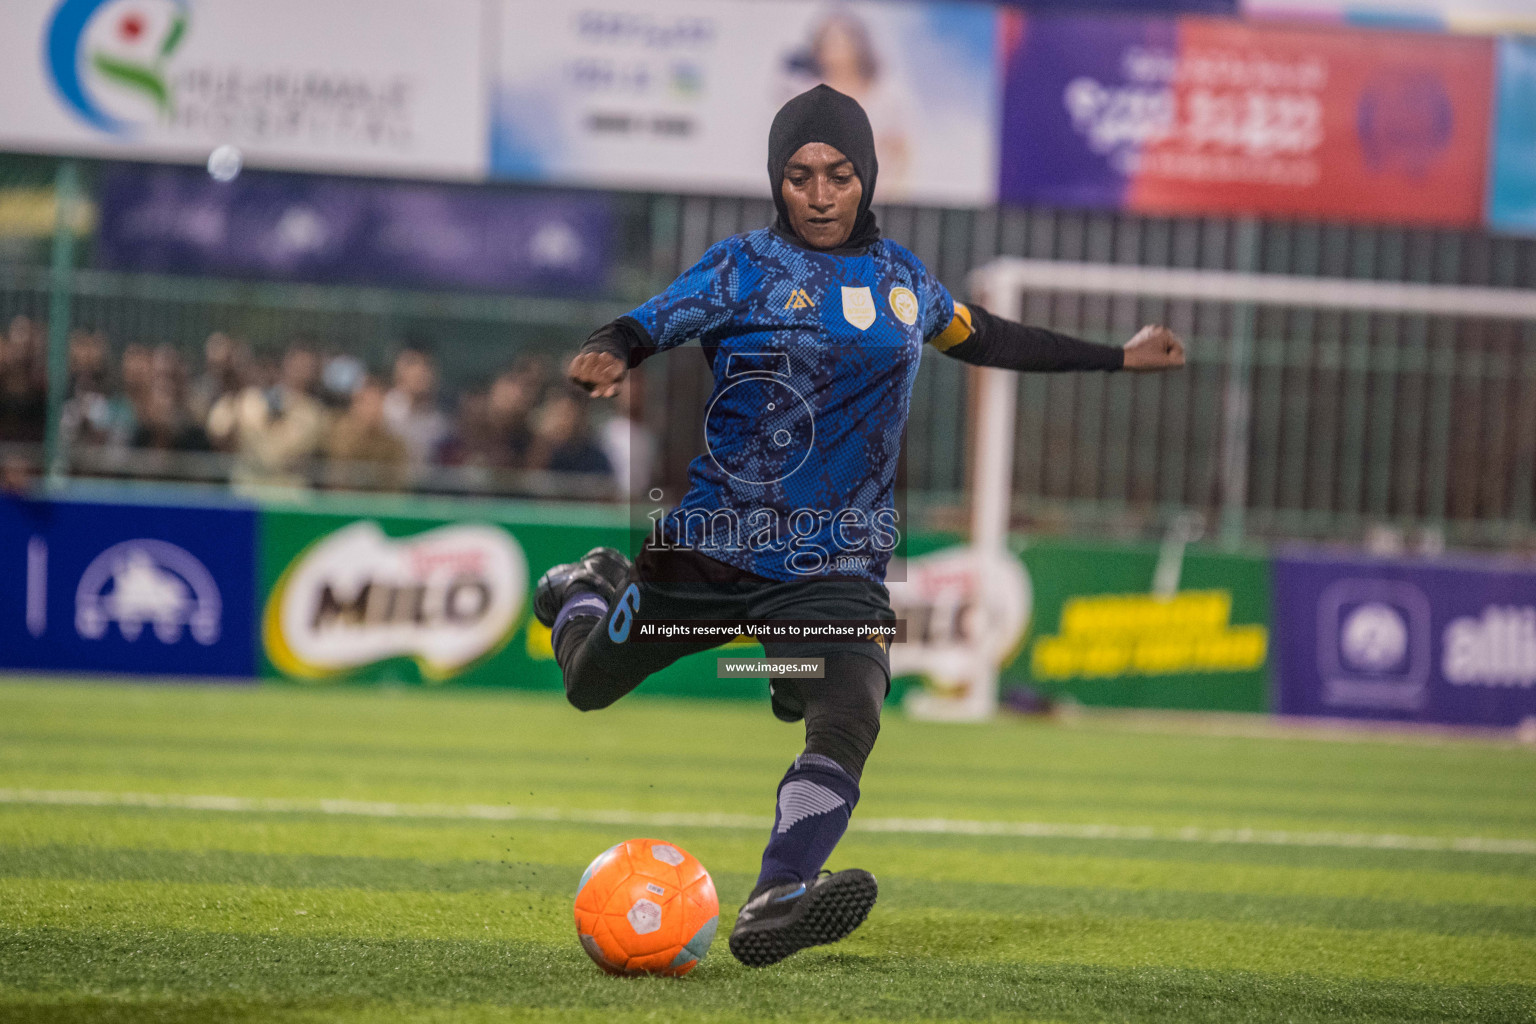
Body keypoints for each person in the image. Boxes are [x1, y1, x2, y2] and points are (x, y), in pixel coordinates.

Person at [533, 85, 1184, 968]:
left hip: (829, 563)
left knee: (851, 705)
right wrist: (612, 349)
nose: (820, 193)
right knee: (588, 685)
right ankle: (584, 591)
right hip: (709, 555)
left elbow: (988, 336)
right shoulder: (741, 268)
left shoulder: (907, 284)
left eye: (839, 174)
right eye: (799, 176)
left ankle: (778, 892)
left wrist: (1117, 356)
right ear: (778, 181)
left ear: (866, 177)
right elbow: (648, 322)